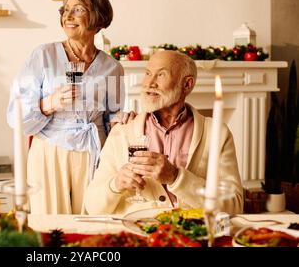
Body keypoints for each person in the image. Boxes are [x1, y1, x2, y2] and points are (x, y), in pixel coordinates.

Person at [7, 0, 130, 214]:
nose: (68, 16)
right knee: (50, 228)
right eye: (65, 10)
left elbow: (112, 117)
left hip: (94, 153)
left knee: (90, 225)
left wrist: (122, 121)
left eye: (78, 9)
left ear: (98, 17)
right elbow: (16, 114)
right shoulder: (43, 55)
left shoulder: (113, 67)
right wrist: (49, 103)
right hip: (50, 153)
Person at [84, 50, 244, 215]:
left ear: (187, 84)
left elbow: (235, 205)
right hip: (137, 235)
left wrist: (176, 177)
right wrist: (115, 184)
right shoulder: (123, 131)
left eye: (161, 75)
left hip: (191, 234)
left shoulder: (217, 132)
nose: (149, 83)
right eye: (147, 73)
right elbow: (92, 207)